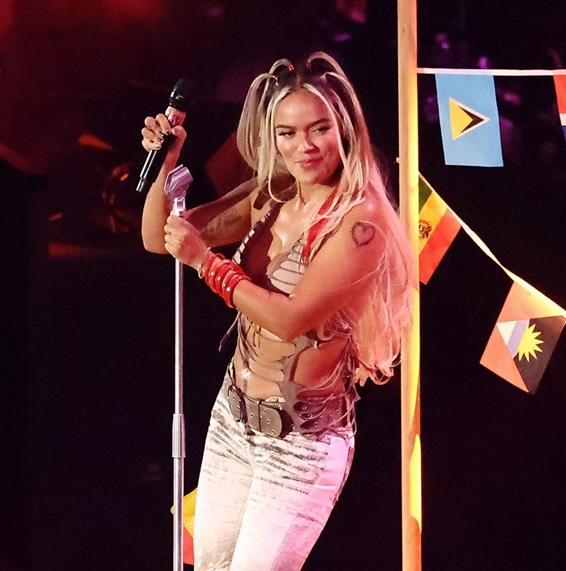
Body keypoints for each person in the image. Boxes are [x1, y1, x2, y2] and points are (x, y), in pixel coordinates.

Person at [139, 52, 413, 569]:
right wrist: (167, 165)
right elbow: (160, 238)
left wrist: (206, 263)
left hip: (301, 446)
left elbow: (291, 319)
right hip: (233, 419)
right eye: (287, 133)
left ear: (345, 129)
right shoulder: (272, 194)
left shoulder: (362, 221)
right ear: (272, 137)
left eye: (318, 129)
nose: (303, 146)